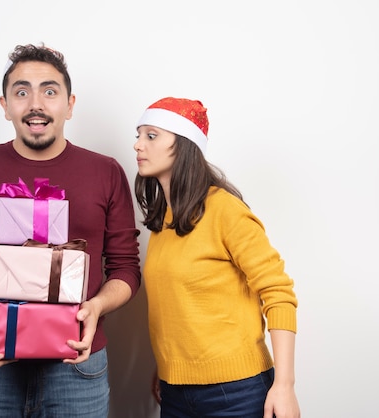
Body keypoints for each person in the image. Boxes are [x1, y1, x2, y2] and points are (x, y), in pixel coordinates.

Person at [0, 44, 141, 418]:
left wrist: (97, 307)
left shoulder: (105, 171)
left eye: (49, 91)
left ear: (70, 105)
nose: (35, 104)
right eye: (21, 92)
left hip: (75, 366)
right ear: (5, 105)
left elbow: (126, 268)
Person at [133, 97, 301, 418]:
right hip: (174, 392)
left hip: (236, 393)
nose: (138, 145)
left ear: (182, 146)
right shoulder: (163, 220)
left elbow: (278, 294)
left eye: (151, 135)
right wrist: (173, 369)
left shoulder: (225, 211)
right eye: (139, 134)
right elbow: (178, 307)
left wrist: (284, 385)